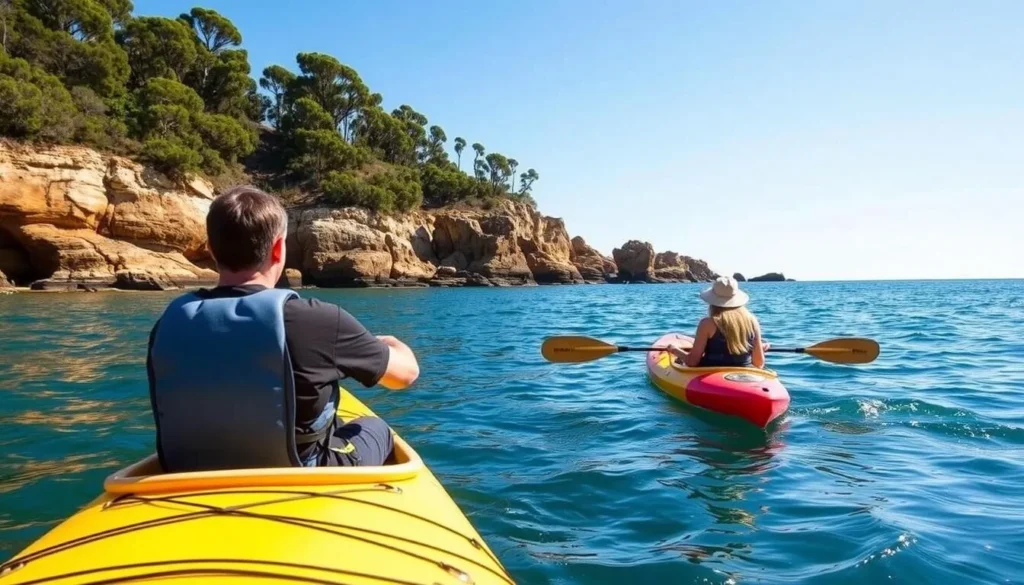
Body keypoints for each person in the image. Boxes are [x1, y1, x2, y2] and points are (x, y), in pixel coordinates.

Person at [146, 185, 419, 473]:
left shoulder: (169, 322)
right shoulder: (316, 320)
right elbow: (405, 376)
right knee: (377, 428)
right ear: (278, 248)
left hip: (186, 474)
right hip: (300, 469)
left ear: (212, 250)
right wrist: (391, 343)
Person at [668, 276, 767, 369]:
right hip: (743, 375)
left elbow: (692, 362)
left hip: (710, 375)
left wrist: (674, 350)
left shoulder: (707, 324)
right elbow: (759, 363)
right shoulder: (752, 321)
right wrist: (759, 349)